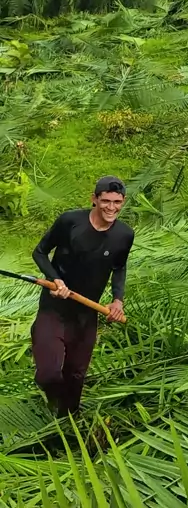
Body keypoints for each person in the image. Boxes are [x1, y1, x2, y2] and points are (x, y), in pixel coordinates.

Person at [31, 176, 134, 416]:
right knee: (48, 374)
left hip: (86, 314)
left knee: (76, 376)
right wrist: (55, 279)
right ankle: (54, 398)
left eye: (117, 202)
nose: (111, 208)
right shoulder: (70, 221)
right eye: (105, 201)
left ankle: (68, 422)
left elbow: (119, 267)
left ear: (123, 201)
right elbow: (40, 252)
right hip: (54, 309)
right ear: (94, 199)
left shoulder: (124, 234)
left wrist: (117, 300)